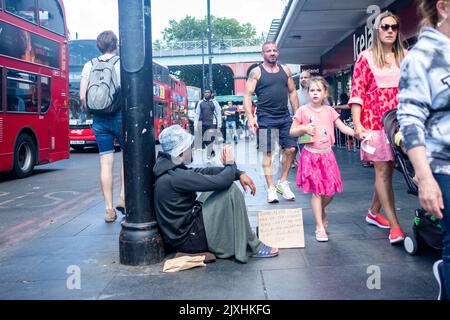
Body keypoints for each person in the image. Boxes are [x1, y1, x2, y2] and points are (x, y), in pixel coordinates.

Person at [153, 125, 279, 263]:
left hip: (184, 233)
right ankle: (252, 245)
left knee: (220, 186)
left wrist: (238, 173)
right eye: (189, 146)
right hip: (189, 240)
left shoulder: (170, 171)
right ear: (181, 150)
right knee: (229, 189)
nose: (192, 149)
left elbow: (204, 172)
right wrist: (230, 164)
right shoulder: (175, 177)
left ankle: (242, 238)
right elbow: (222, 181)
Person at [397, 0, 450, 300]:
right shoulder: (421, 57)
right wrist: (425, 177)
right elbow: (410, 118)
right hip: (443, 166)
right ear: (443, 7)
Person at [349, 11, 407, 244]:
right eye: (385, 27)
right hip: (375, 123)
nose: (390, 30)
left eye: (394, 26)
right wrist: (357, 124)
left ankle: (373, 213)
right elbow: (357, 92)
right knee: (383, 172)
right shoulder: (365, 57)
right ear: (377, 30)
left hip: (403, 121)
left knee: (389, 171)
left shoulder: (405, 55)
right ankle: (395, 226)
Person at [290, 77, 354, 242]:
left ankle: (321, 210)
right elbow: (292, 131)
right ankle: (319, 227)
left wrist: (357, 132)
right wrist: (303, 128)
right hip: (311, 155)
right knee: (317, 192)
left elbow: (343, 127)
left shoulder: (329, 111)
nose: (315, 93)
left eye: (319, 90)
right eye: (312, 90)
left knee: (330, 192)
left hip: (327, 155)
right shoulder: (302, 111)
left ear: (325, 92)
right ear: (308, 92)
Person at [244, 41, 299, 203]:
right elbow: (247, 95)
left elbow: (293, 92)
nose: (272, 53)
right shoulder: (256, 72)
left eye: (275, 50)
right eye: (268, 51)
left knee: (291, 149)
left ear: (278, 53)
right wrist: (250, 118)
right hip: (265, 117)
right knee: (267, 153)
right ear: (263, 54)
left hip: (284, 117)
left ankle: (282, 182)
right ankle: (270, 189)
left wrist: (297, 115)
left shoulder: (285, 70)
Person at [79, 30, 125, 223]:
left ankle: (108, 209)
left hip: (99, 119)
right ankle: (123, 197)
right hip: (119, 116)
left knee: (105, 162)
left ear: (98, 46)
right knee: (127, 156)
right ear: (115, 45)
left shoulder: (89, 65)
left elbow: (82, 97)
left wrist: (91, 111)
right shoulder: (120, 63)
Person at [194, 89, 222, 162]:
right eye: (205, 92)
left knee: (209, 138)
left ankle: (209, 156)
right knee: (205, 139)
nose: (206, 94)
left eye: (208, 92)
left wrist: (219, 126)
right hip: (203, 124)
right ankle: (211, 150)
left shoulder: (215, 102)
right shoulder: (200, 102)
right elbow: (197, 114)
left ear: (211, 94)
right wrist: (195, 124)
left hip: (212, 124)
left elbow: (219, 114)